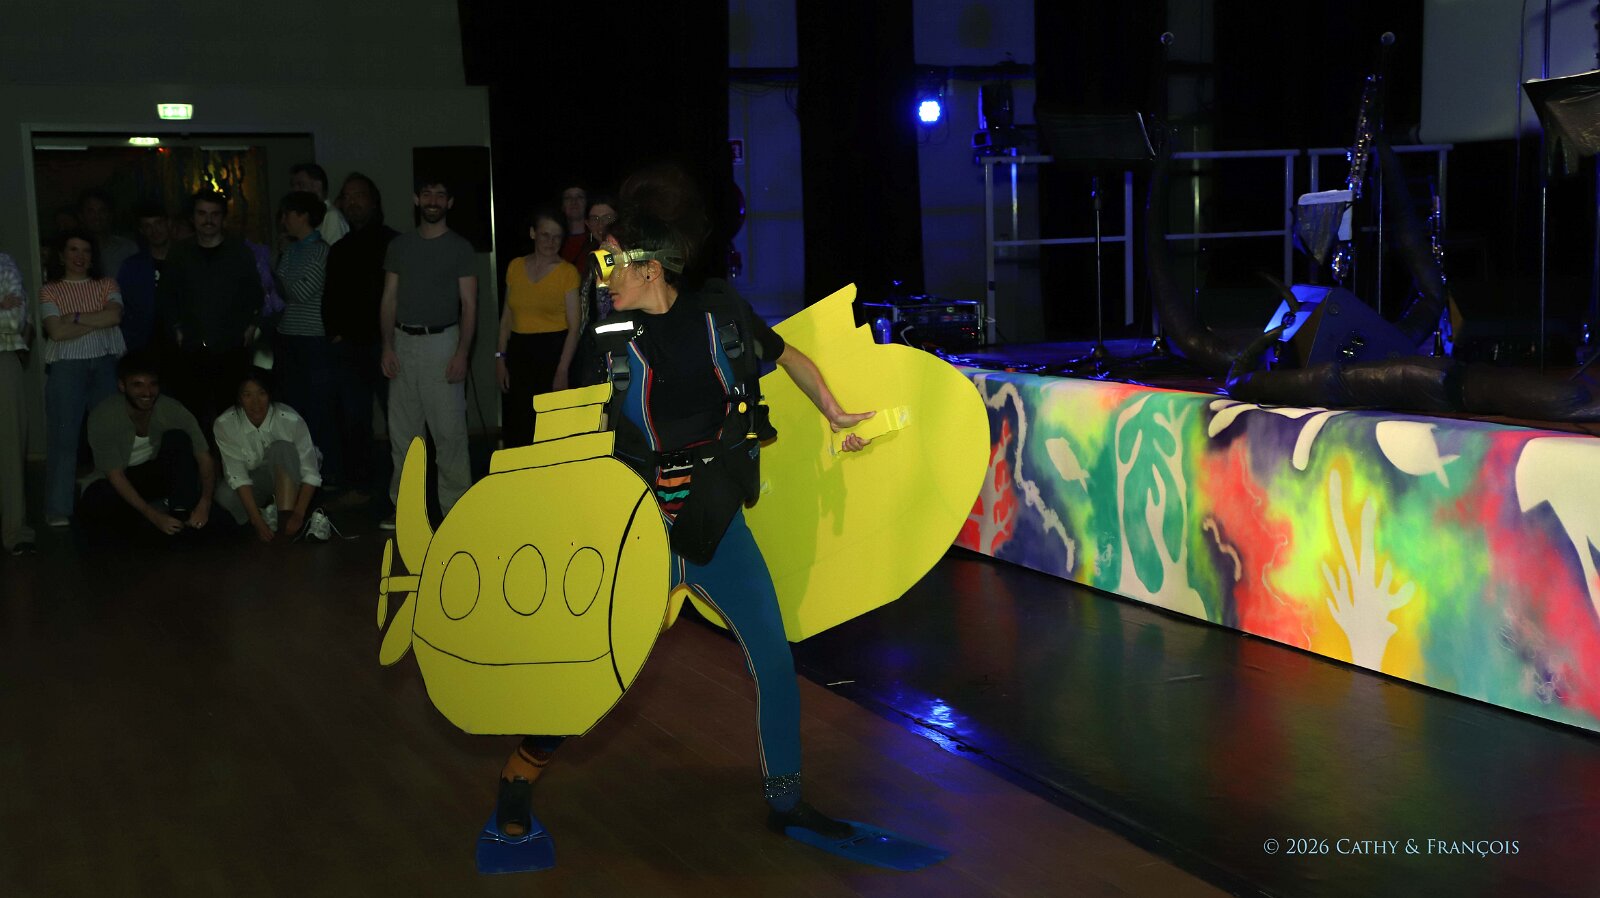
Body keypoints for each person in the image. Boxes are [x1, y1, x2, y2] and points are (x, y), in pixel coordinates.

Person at [488, 172, 876, 855]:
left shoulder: (720, 313)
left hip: (714, 520)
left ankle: (787, 801)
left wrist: (835, 411)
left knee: (774, 659)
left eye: (613, 261)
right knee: (595, 668)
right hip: (640, 526)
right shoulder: (610, 336)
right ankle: (520, 774)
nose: (603, 274)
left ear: (650, 268)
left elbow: (787, 356)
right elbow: (587, 431)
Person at [378, 176, 477, 528]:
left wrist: (462, 354)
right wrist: (387, 345)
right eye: (427, 194)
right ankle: (406, 510)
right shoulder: (399, 246)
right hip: (403, 343)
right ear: (416, 199)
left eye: (440, 195)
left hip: (443, 343)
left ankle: (456, 512)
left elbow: (469, 305)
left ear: (449, 202)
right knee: (403, 435)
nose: (433, 200)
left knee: (449, 434)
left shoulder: (460, 248)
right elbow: (389, 298)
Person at [158, 190, 265, 433]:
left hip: (231, 348)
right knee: (193, 414)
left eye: (215, 214)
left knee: (233, 414)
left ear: (223, 218)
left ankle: (233, 458)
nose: (208, 219)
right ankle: (202, 457)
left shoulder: (239, 252)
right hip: (191, 348)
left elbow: (255, 295)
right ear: (193, 217)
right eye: (202, 213)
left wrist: (251, 326)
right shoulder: (179, 253)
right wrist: (176, 329)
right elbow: (166, 296)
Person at [39, 230, 126, 527]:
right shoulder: (50, 290)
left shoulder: (107, 284)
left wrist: (74, 317)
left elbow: (114, 317)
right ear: (62, 255)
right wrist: (97, 318)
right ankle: (58, 507)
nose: (79, 256)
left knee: (109, 435)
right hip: (67, 367)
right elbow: (56, 332)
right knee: (64, 438)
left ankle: (113, 501)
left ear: (93, 257)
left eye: (86, 251)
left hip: (105, 364)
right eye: (73, 250)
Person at [78, 353, 215, 542]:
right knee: (97, 499)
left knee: (178, 438)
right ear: (122, 386)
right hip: (120, 480)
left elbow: (204, 456)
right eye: (138, 385)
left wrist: (205, 503)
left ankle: (179, 512)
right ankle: (148, 519)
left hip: (155, 473)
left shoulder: (171, 409)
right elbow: (115, 475)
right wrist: (152, 515)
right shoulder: (103, 416)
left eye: (152, 384)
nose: (147, 392)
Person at [324, 172, 397, 502]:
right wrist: (334, 333)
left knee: (399, 418)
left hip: (388, 345)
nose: (353, 202)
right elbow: (330, 297)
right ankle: (361, 485)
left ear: (374, 201)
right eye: (347, 196)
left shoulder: (394, 243)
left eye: (359, 195)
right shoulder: (339, 249)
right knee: (354, 420)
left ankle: (405, 485)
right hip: (350, 348)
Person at [495, 208, 580, 448]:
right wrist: (500, 358)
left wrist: (562, 369)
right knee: (519, 430)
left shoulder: (567, 273)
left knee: (551, 433)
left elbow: (574, 327)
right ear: (533, 233)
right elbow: (506, 319)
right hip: (519, 355)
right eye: (545, 235)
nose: (551, 242)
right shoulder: (515, 267)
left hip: (553, 354)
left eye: (557, 237)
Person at [271, 191, 336, 485]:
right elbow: (281, 286)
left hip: (313, 339)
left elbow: (298, 291)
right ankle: (295, 471)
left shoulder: (321, 251)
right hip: (287, 337)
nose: (284, 220)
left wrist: (277, 274)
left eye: (288, 214)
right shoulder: (291, 250)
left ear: (304, 216)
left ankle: (323, 472)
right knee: (291, 408)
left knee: (317, 409)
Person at [213, 370, 322, 543]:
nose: (255, 403)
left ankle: (287, 517)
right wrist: (256, 521)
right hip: (257, 480)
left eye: (261, 394)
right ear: (239, 398)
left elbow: (311, 471)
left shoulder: (290, 419)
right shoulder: (225, 424)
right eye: (247, 395)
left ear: (270, 395)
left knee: (282, 448)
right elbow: (237, 475)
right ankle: (264, 513)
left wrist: (298, 514)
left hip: (294, 476)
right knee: (224, 494)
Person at [0, 251, 35, 554]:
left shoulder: (5, 265)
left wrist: (5, 312)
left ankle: (14, 531)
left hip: (3, 359)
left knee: (10, 447)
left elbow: (14, 321)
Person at [570, 194, 618, 387]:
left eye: (607, 218)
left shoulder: (624, 256)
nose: (601, 225)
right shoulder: (588, 257)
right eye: (595, 219)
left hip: (616, 343)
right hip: (591, 344)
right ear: (588, 224)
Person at [115, 202, 175, 354]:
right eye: (148, 226)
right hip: (143, 345)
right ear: (141, 230)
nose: (154, 230)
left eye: (158, 223)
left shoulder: (186, 260)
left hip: (182, 343)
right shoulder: (132, 266)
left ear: (169, 223)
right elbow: (122, 306)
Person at [78, 188, 139, 282]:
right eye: (91, 211)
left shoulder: (127, 248)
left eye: (102, 211)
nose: (97, 217)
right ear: (81, 216)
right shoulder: (72, 251)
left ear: (110, 215)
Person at [289, 162, 350, 246]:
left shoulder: (331, 216)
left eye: (301, 185)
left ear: (317, 186)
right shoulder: (311, 218)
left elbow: (333, 253)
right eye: (293, 186)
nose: (295, 190)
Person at [557, 183, 588, 263]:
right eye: (568, 198)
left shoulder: (596, 237)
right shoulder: (554, 240)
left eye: (579, 197)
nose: (574, 202)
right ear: (562, 206)